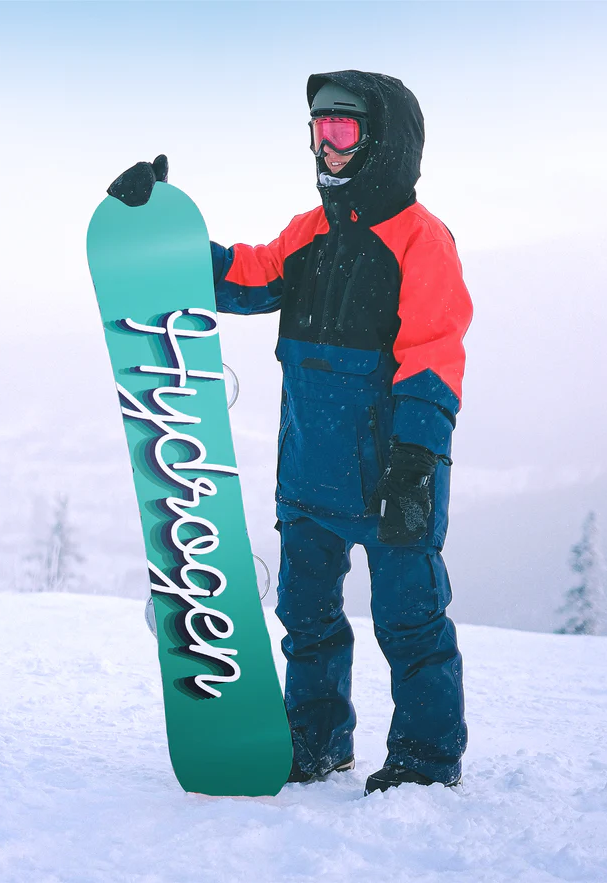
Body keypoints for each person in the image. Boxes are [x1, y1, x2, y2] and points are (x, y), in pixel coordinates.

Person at [108, 69, 473, 796]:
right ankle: (316, 739)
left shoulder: (421, 240)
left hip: (391, 473)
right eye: (319, 131)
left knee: (411, 622)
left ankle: (426, 760)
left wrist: (417, 459)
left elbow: (434, 353)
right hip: (310, 472)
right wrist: (156, 229)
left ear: (383, 141)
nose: (329, 148)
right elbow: (243, 276)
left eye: (344, 130)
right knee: (305, 618)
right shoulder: (307, 234)